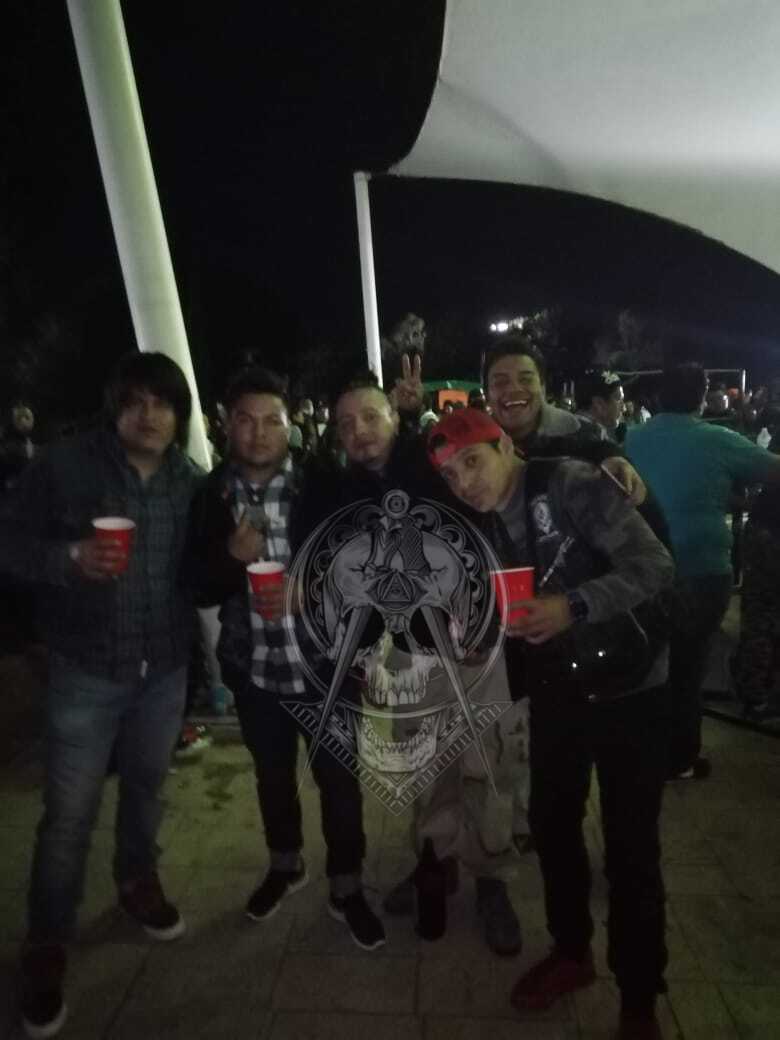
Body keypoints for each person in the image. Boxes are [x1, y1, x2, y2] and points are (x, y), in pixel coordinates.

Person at [428, 407, 675, 1040]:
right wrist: (484, 633)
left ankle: (639, 998)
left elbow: (655, 566)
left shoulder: (571, 483)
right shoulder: (482, 523)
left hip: (630, 687)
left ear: (506, 446)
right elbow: (511, 604)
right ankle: (572, 953)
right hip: (559, 686)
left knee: (630, 846)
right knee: (553, 824)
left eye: (473, 462)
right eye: (451, 475)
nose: (465, 482)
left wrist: (574, 605)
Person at [1, 353, 201, 1040]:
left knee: (147, 791)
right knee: (68, 816)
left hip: (164, 670)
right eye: (136, 401)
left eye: (163, 403)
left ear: (179, 414)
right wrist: (68, 558)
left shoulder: (191, 481)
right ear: (115, 405)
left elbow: (203, 569)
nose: (149, 415)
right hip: (85, 670)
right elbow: (8, 540)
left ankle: (137, 882)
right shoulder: (65, 468)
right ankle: (47, 939)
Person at [184, 367, 384, 951]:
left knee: (339, 782)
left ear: (289, 424)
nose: (259, 433)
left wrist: (310, 586)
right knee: (272, 778)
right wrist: (230, 556)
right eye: (245, 420)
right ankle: (286, 864)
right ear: (226, 425)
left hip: (326, 666)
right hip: (256, 671)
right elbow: (197, 587)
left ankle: (347, 885)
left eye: (271, 420)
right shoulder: (210, 495)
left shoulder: (326, 483)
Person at [626, 363, 780, 779]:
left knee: (650, 665)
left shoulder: (633, 438)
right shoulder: (717, 439)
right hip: (703, 570)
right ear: (702, 395)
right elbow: (773, 469)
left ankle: (645, 750)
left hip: (642, 571)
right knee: (688, 667)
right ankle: (679, 758)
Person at [574, 369, 625, 441]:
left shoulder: (566, 431)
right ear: (599, 404)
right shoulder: (592, 441)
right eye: (618, 399)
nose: (623, 408)